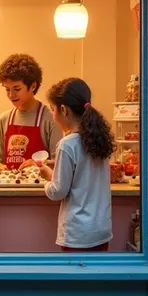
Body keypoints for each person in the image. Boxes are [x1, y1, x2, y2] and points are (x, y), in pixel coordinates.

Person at [38, 77, 115, 252]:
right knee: (96, 278)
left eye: (52, 110)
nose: (53, 115)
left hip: (77, 234)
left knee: (75, 279)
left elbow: (58, 192)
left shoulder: (67, 144)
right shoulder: (99, 139)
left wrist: (46, 181)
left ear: (64, 110)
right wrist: (54, 173)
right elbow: (83, 178)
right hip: (100, 229)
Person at [0, 53, 63, 171]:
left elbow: (59, 163)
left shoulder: (50, 117)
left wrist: (38, 164)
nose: (11, 95)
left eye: (17, 89)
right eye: (7, 89)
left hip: (39, 187)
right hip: (9, 185)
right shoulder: (5, 118)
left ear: (33, 86)